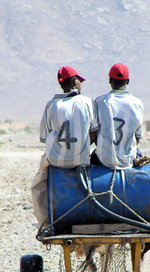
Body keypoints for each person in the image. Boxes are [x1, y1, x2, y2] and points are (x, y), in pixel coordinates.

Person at [31, 66, 99, 229]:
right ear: (75, 82)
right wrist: (80, 148)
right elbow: (94, 133)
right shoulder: (87, 102)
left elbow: (45, 137)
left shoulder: (51, 105)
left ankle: (46, 225)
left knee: (37, 187)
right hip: (80, 160)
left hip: (55, 161)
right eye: (80, 81)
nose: (81, 84)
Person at [91, 63, 144, 169]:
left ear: (110, 80)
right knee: (140, 154)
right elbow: (138, 137)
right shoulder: (137, 103)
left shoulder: (100, 102)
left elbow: (94, 134)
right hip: (128, 159)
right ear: (127, 81)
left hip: (103, 159)